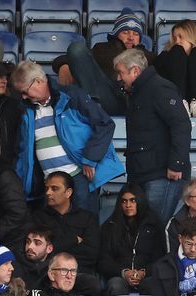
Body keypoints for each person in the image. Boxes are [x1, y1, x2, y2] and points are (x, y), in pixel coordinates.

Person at [10, 60, 122, 215]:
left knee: (83, 228)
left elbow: (105, 124)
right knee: (54, 233)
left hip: (78, 178)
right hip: (47, 183)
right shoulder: (26, 110)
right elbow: (22, 150)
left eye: (24, 91)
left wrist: (90, 158)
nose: (23, 97)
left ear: (38, 82)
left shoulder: (72, 96)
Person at [111, 49, 189, 219]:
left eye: (121, 73)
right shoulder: (138, 92)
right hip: (142, 173)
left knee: (154, 227)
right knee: (142, 226)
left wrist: (176, 163)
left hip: (161, 175)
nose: (118, 78)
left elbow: (181, 124)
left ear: (135, 71)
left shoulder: (159, 88)